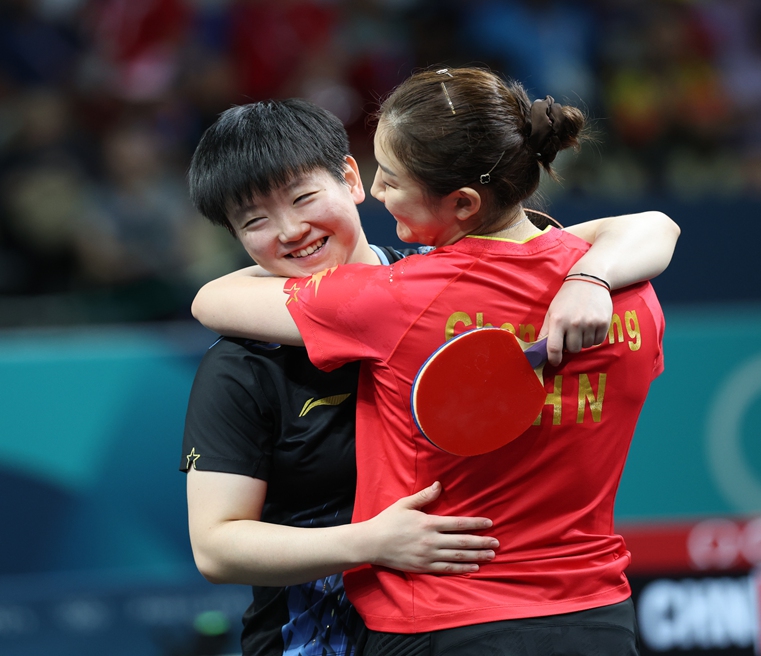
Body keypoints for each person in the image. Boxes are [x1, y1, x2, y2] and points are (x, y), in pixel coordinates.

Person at [184, 93, 677, 655]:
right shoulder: (240, 366)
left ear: (350, 177)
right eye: (255, 222)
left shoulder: (420, 288)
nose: (292, 230)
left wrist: (591, 277)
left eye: (303, 198)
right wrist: (368, 542)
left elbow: (623, 233)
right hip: (313, 639)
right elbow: (216, 548)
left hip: (440, 621)